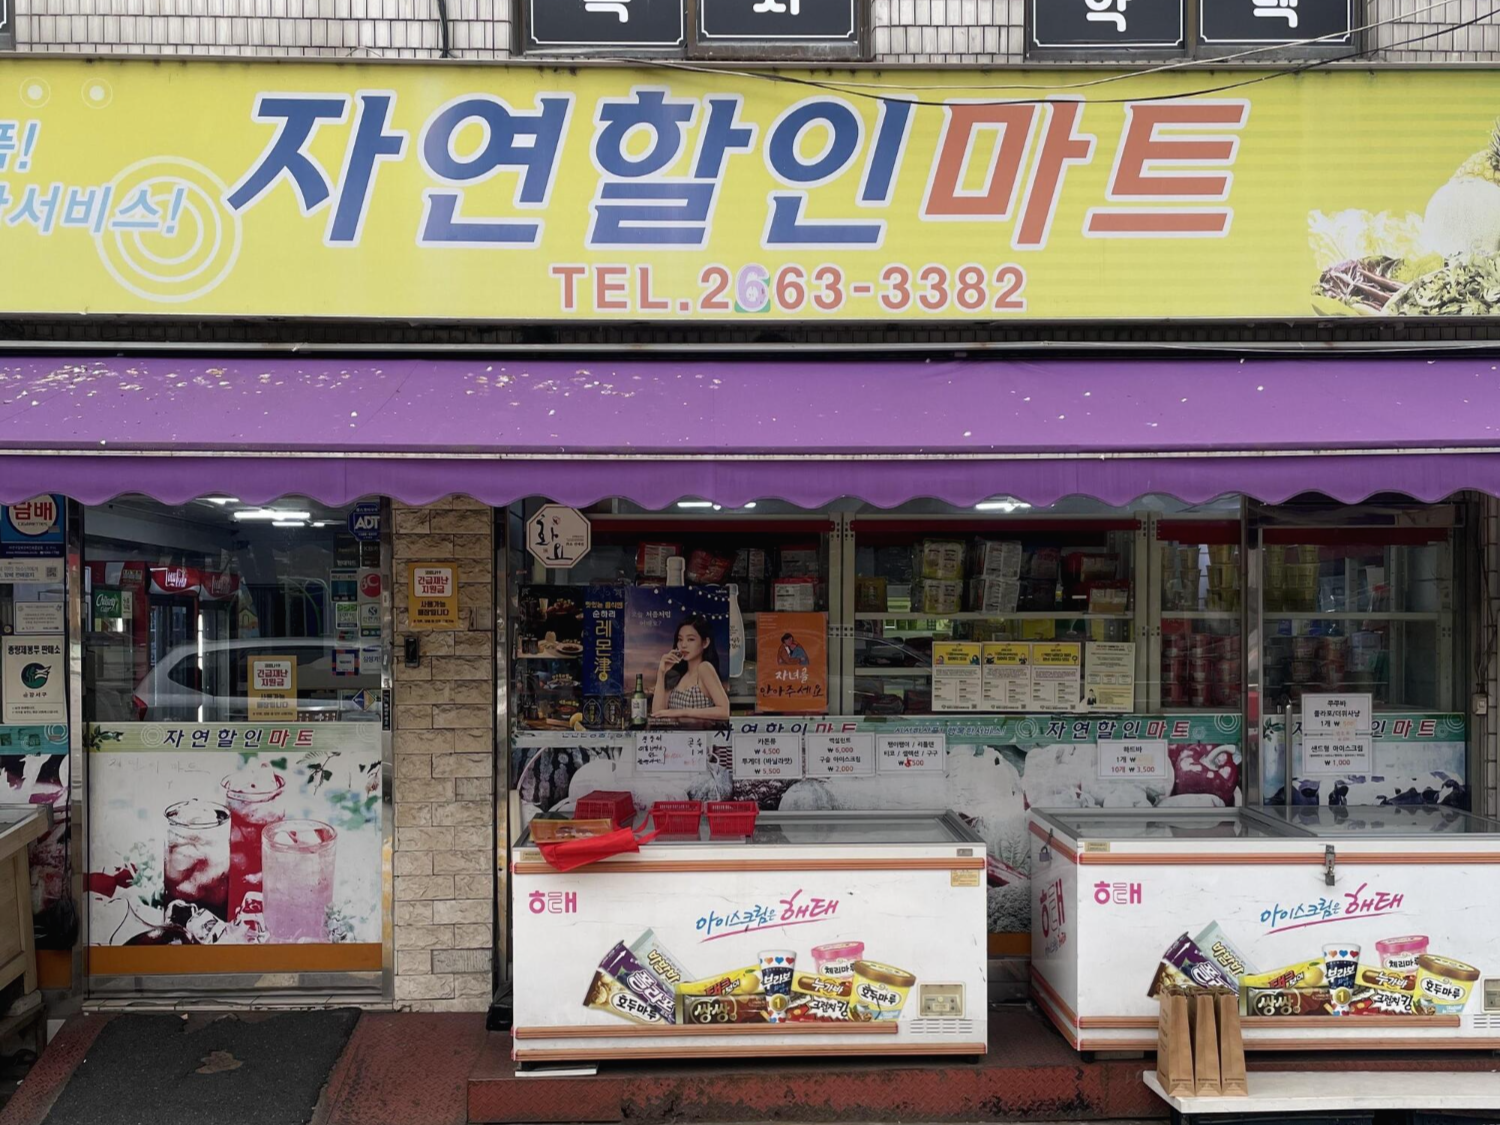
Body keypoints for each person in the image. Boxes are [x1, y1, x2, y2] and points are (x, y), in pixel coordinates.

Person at [651, 615, 730, 720]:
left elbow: (725, 711)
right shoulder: (675, 674)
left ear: (705, 643)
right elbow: (657, 714)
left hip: (699, 731)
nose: (683, 645)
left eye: (690, 639)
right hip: (674, 731)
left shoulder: (704, 668)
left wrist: (682, 712)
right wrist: (661, 673)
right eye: (680, 639)